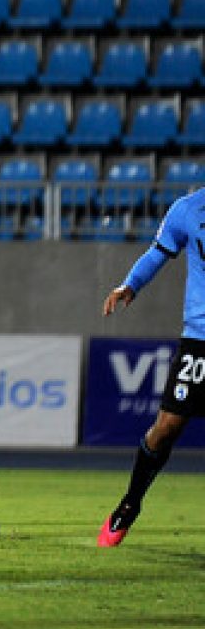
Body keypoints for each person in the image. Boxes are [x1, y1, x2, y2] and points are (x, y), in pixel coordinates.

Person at [97, 186, 205, 547]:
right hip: (200, 339)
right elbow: (158, 252)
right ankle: (130, 504)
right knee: (167, 426)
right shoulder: (188, 209)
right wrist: (130, 285)